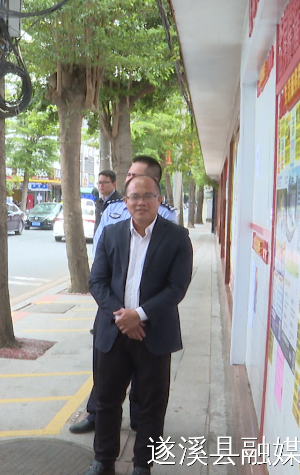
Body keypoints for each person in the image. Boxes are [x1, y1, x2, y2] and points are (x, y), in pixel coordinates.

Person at [84, 175, 193, 475]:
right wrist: (122, 316)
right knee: (106, 400)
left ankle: (143, 464)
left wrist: (140, 314)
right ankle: (103, 460)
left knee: (151, 403)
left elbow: (177, 288)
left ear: (159, 200)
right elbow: (97, 281)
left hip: (153, 333)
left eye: (147, 196)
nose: (140, 202)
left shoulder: (177, 237)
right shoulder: (111, 234)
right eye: (134, 196)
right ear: (125, 201)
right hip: (113, 331)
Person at [75, 156, 177, 435]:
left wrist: (138, 316)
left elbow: (173, 283)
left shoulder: (168, 222)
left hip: (150, 324)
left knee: (148, 398)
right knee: (105, 387)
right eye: (129, 176)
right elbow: (100, 268)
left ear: (155, 186)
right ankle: (97, 425)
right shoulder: (113, 214)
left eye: (136, 176)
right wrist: (122, 315)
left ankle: (140, 432)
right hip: (112, 317)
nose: (129, 179)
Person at [93, 170, 121, 235]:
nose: (101, 185)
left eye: (104, 182)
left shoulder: (120, 202)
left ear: (114, 184)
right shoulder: (99, 202)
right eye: (99, 182)